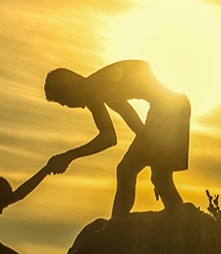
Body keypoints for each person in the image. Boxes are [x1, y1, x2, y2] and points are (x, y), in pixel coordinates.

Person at [44, 60, 191, 217]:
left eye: (65, 102)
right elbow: (130, 116)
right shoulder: (97, 86)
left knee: (128, 171)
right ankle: (181, 223)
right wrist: (151, 152)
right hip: (174, 107)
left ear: (69, 89)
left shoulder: (91, 90)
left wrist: (69, 156)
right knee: (159, 178)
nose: (70, 106)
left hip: (168, 111)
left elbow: (108, 138)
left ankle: (117, 226)